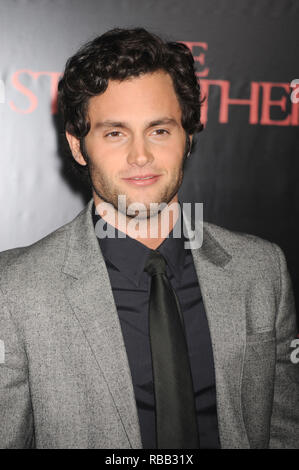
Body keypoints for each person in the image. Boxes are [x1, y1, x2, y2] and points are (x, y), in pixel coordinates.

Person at [0, 27, 298, 449]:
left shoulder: (262, 270)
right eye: (115, 133)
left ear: (188, 137)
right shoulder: (14, 288)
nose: (140, 156)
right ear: (78, 146)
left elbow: (284, 431)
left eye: (159, 130)